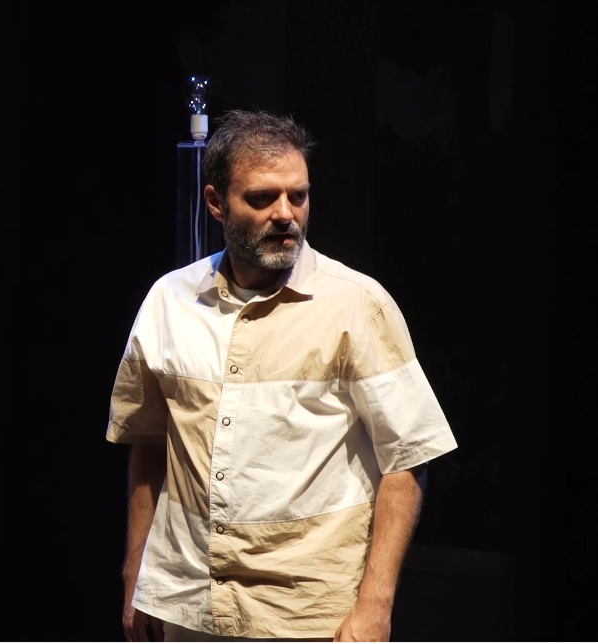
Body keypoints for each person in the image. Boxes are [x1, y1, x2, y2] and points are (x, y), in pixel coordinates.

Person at [107, 110, 457, 642]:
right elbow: (149, 441)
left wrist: (376, 604)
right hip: (185, 606)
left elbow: (408, 457)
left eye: (298, 196)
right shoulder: (169, 301)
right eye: (262, 198)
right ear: (216, 203)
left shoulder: (357, 304)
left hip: (305, 615)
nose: (286, 214)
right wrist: (137, 571)